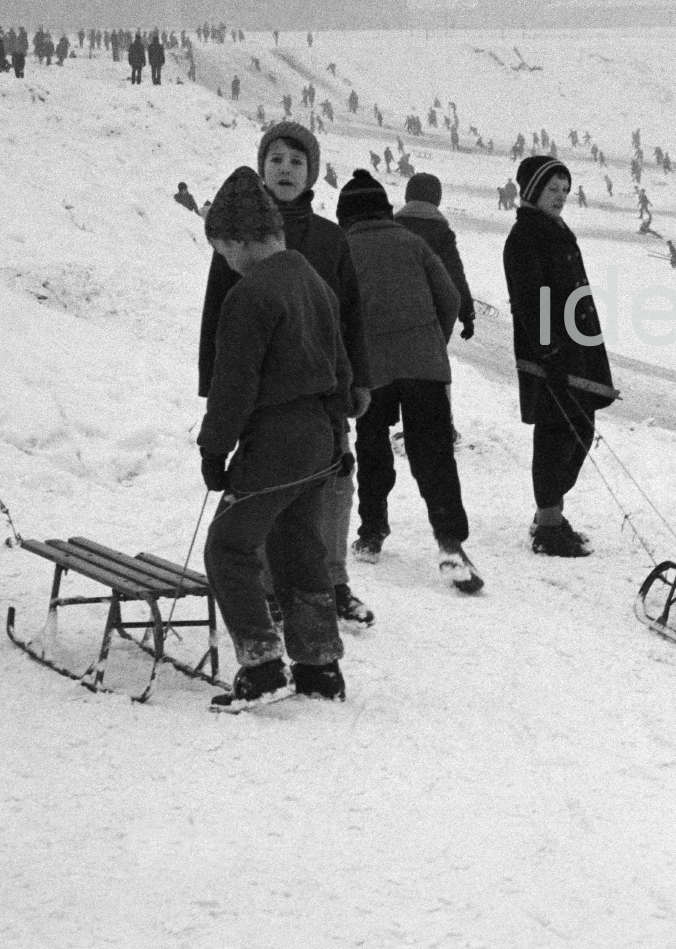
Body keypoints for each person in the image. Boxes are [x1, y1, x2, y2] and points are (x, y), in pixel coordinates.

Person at [198, 122, 377, 628]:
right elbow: (219, 319)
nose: (285, 169)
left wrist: (357, 381)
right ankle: (281, 603)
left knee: (325, 491)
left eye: (296, 162)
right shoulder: (237, 243)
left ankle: (331, 582)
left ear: (312, 173)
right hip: (295, 401)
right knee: (290, 513)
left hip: (314, 399)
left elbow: (351, 314)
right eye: (275, 160)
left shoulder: (326, 238)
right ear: (261, 168)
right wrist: (211, 383)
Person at [196, 167, 352, 710]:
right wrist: (338, 438)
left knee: (229, 546)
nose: (224, 262)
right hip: (318, 440)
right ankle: (319, 665)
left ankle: (261, 667)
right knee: (296, 544)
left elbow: (233, 384)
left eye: (222, 250)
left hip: (276, 442)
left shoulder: (251, 295)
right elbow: (341, 369)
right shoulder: (313, 282)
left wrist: (214, 449)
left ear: (239, 241)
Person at [337, 171, 476, 592]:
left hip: (371, 368)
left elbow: (337, 313)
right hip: (424, 366)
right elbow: (449, 297)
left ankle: (372, 532)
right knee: (433, 452)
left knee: (373, 444)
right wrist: (434, 339)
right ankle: (450, 543)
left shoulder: (343, 250)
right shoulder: (412, 242)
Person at [503, 155, 618, 558]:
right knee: (556, 435)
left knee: (580, 429)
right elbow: (531, 301)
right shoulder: (524, 237)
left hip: (576, 348)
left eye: (565, 190)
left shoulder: (555, 231)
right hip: (550, 354)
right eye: (553, 189)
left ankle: (549, 510)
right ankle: (548, 525)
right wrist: (548, 351)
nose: (561, 197)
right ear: (532, 190)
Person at [394, 173, 476, 342]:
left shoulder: (391, 228)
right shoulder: (441, 234)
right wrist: (466, 314)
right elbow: (455, 275)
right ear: (437, 199)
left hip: (391, 313)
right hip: (429, 316)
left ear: (407, 196)